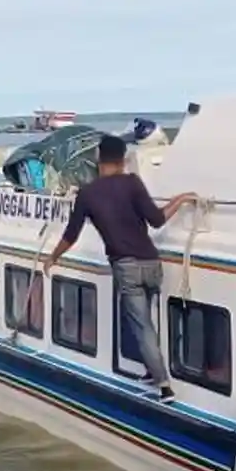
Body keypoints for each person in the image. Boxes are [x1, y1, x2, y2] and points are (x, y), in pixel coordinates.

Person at [43, 134, 199, 401]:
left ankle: (164, 386)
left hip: (126, 267)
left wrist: (52, 258)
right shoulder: (133, 184)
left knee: (142, 327)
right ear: (123, 159)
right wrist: (181, 198)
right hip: (151, 263)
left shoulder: (88, 194)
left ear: (98, 159)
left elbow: (71, 234)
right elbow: (157, 220)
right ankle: (152, 370)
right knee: (147, 321)